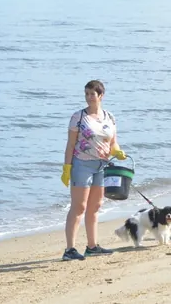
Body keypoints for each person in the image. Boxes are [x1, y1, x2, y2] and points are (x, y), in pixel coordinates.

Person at [61, 79, 127, 261]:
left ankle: (92, 246)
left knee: (95, 206)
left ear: (101, 96)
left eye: (92, 94)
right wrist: (67, 167)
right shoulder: (78, 117)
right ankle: (69, 249)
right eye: (87, 94)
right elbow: (71, 144)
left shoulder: (110, 117)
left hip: (101, 165)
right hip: (81, 164)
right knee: (79, 207)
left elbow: (113, 143)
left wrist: (118, 152)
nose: (89, 97)